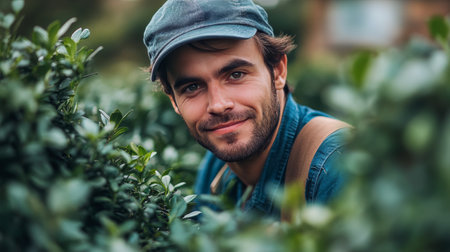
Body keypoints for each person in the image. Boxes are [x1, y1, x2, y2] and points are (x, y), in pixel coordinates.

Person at [143, 0, 349, 219]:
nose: (218, 105)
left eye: (236, 75)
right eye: (192, 87)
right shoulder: (216, 168)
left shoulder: (338, 166)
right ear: (174, 101)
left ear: (278, 71)